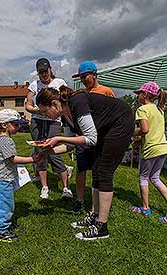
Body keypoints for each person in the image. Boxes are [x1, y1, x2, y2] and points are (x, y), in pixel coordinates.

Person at [34, 85, 135, 240]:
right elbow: (71, 144)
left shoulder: (77, 102)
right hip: (106, 128)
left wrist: (59, 138)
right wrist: (47, 152)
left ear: (54, 103)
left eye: (44, 111)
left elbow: (91, 139)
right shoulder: (65, 116)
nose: (45, 115)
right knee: (96, 169)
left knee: (104, 171)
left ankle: (102, 227)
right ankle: (94, 215)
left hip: (121, 123)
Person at [0, 109, 42, 242]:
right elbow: (13, 159)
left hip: (4, 178)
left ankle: (5, 226)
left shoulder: (4, 139)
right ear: (4, 125)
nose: (18, 127)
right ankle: (2, 233)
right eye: (15, 124)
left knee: (7, 203)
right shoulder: (6, 140)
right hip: (1, 178)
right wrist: (32, 160)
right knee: (4, 205)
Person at [25, 58, 73, 199]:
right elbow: (28, 105)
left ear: (50, 69)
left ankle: (65, 187)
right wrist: (39, 111)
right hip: (38, 122)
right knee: (40, 150)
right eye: (40, 72)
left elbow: (66, 101)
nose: (44, 74)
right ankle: (44, 186)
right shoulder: (34, 85)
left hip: (54, 122)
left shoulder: (59, 82)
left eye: (45, 71)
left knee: (52, 151)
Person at [71, 61, 115, 214]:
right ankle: (80, 200)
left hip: (100, 139)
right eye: (81, 77)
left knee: (98, 171)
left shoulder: (106, 91)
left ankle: (96, 206)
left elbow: (113, 113)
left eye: (85, 76)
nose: (83, 80)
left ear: (94, 74)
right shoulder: (82, 93)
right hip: (83, 137)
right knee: (81, 169)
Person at [131, 82, 167, 223]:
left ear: (145, 95)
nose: (138, 96)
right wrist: (141, 141)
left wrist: (133, 133)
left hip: (151, 149)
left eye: (139, 93)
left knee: (144, 178)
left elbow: (145, 130)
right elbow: (154, 130)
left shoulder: (142, 109)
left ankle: (145, 208)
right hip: (162, 147)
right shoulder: (160, 110)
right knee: (156, 178)